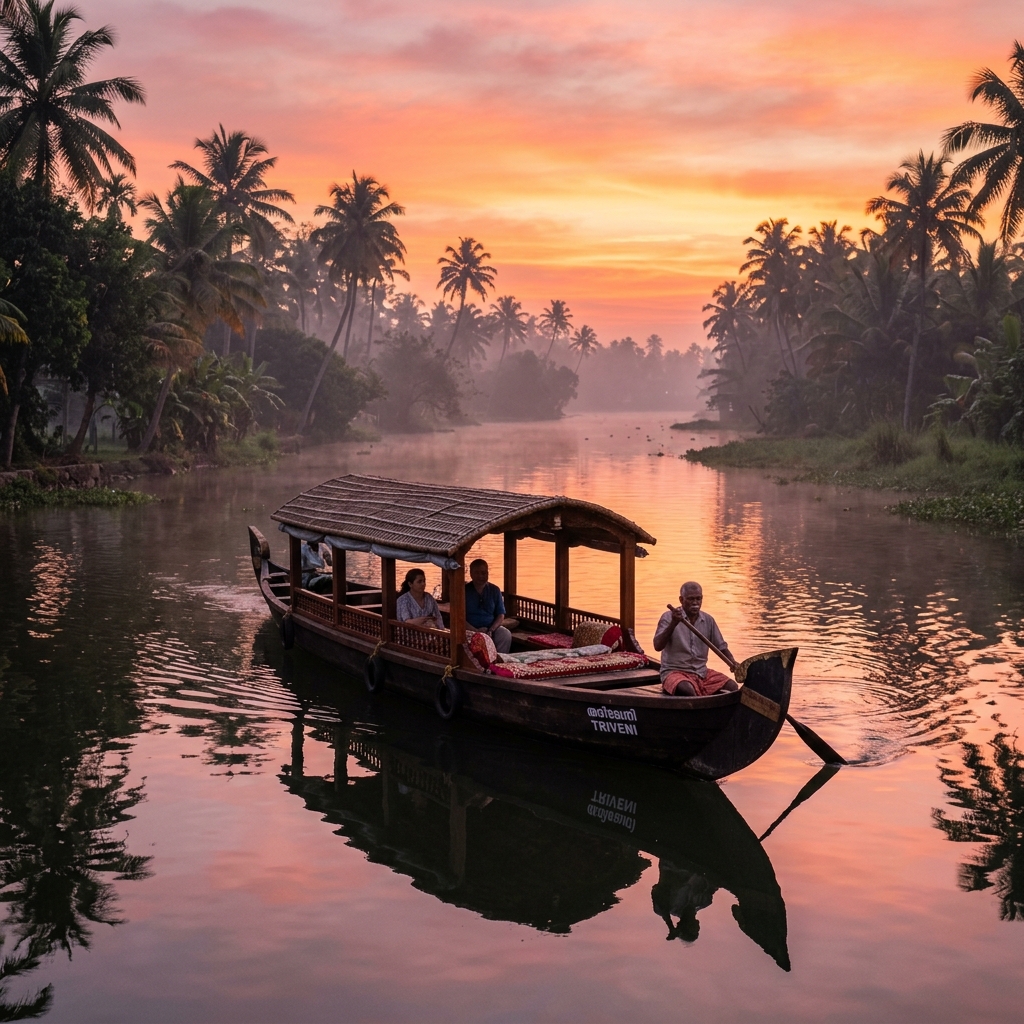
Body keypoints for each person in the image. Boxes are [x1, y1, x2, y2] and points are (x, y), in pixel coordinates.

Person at [653, 581, 738, 696]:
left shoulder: (708, 620)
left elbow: (721, 647)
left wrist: (733, 663)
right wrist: (673, 623)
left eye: (698, 599)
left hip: (701, 673)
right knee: (688, 690)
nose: (695, 603)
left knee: (732, 687)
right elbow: (657, 646)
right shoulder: (668, 617)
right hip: (674, 672)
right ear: (681, 600)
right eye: (690, 599)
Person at [465, 558, 512, 653]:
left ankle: (498, 660)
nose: (480, 576)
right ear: (471, 574)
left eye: (483, 573)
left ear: (487, 573)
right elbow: (458, 617)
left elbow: (500, 614)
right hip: (469, 629)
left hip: (490, 629)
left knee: (505, 634)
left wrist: (491, 629)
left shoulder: (495, 590)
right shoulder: (464, 590)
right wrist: (475, 631)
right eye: (477, 573)